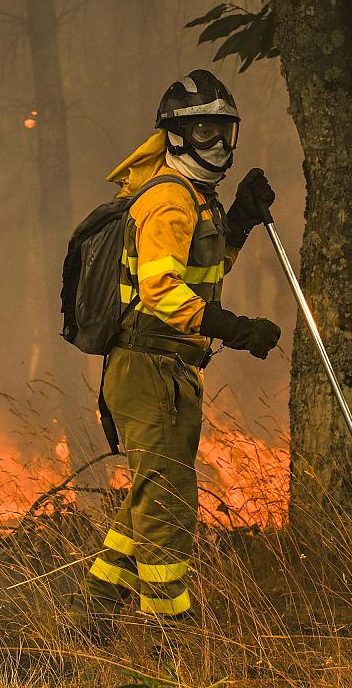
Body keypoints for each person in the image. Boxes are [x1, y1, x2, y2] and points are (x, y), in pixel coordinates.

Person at [79, 69, 281, 622]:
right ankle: (168, 635)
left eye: (223, 130)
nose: (216, 144)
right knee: (167, 505)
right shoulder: (169, 199)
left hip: (165, 368)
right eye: (203, 132)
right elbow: (163, 289)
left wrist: (238, 222)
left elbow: (203, 272)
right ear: (174, 136)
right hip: (151, 368)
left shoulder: (194, 199)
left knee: (151, 492)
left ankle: (94, 612)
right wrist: (233, 328)